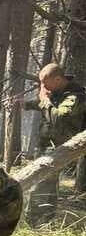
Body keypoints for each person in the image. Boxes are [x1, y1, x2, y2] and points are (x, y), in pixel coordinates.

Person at [16, 62, 86, 225]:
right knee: (47, 184)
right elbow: (48, 103)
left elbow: (59, 118)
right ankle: (45, 220)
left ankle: (33, 222)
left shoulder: (75, 96)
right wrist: (24, 104)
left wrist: (44, 101)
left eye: (44, 82)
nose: (42, 86)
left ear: (58, 79)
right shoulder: (57, 92)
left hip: (60, 146)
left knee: (40, 182)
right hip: (48, 144)